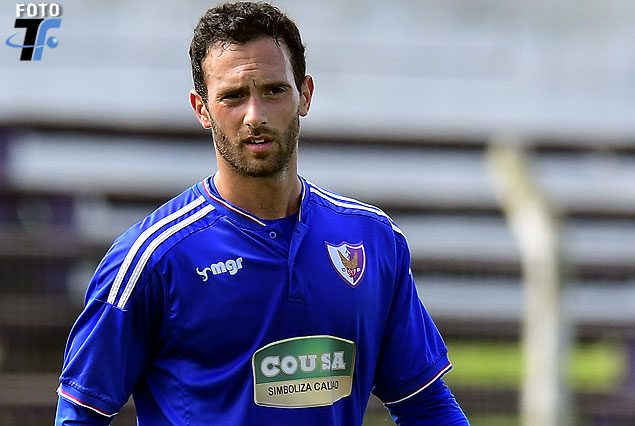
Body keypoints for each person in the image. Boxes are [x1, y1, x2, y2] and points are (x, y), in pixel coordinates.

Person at [55, 2, 469, 425]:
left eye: (273, 90)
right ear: (202, 109)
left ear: (305, 94)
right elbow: (80, 415)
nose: (255, 115)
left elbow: (426, 404)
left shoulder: (373, 239)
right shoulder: (152, 259)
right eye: (233, 96)